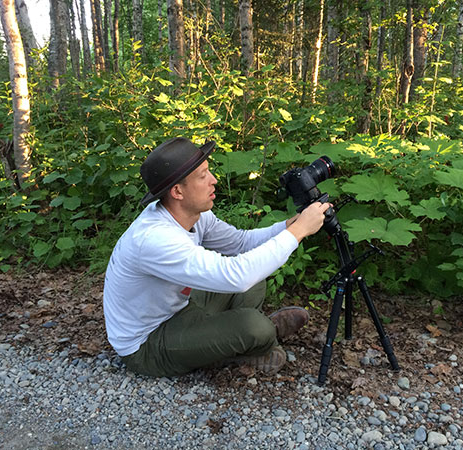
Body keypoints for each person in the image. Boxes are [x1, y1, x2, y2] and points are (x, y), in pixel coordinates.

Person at [103, 137, 331, 377]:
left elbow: (240, 243)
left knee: (255, 277)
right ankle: (259, 335)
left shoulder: (193, 214)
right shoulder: (155, 239)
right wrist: (299, 231)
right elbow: (236, 277)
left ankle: (234, 339)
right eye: (203, 176)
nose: (213, 180)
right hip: (147, 344)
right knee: (255, 325)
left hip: (179, 309)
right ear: (177, 191)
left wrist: (289, 225)